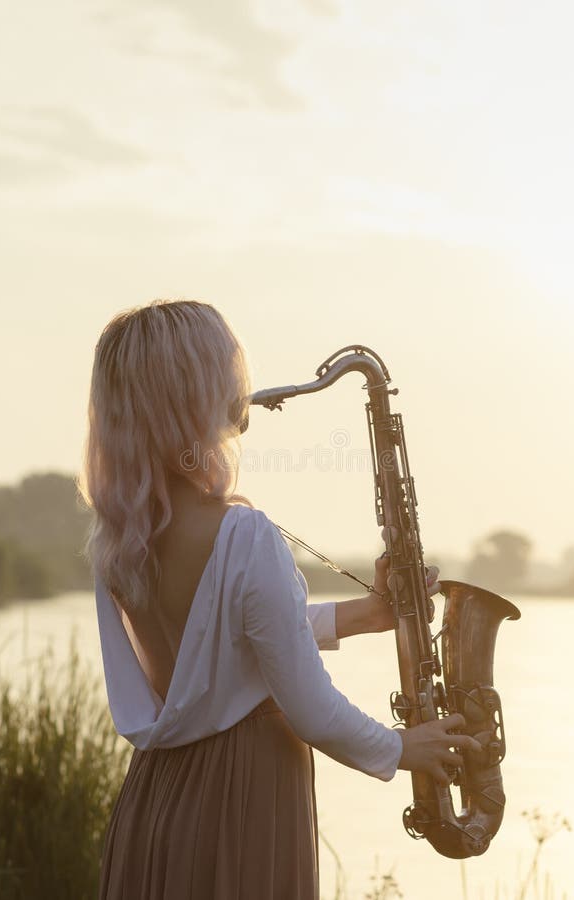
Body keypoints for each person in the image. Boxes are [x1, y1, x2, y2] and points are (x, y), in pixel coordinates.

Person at [79, 300, 482, 900]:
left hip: (159, 796)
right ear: (196, 395)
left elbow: (229, 639)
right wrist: (402, 748)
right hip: (246, 793)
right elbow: (310, 709)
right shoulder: (243, 535)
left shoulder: (118, 544)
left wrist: (363, 615)